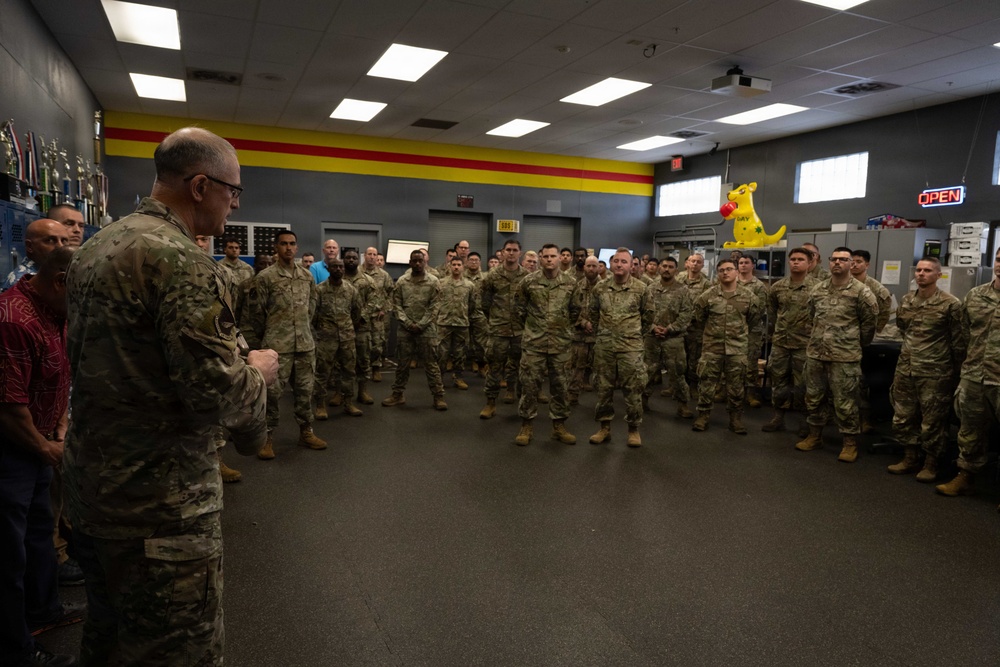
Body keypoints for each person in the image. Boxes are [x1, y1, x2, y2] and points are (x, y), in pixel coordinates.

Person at [63, 127, 279, 665]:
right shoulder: (179, 260)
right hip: (160, 505)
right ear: (201, 186)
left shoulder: (96, 246)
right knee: (176, 651)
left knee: (108, 639)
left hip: (94, 491)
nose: (234, 205)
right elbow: (215, 395)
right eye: (234, 192)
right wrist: (257, 373)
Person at [0, 247, 83, 667]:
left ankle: (45, 609)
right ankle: (16, 649)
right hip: (11, 452)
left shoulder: (57, 312)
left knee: (38, 536)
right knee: (9, 555)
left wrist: (61, 426)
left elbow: (60, 377)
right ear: (60, 283)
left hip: (39, 443)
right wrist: (46, 446)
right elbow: (8, 409)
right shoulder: (14, 321)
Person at [795, 247, 878, 462]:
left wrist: (853, 344)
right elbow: (812, 316)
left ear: (852, 263)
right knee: (813, 398)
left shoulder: (862, 292)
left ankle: (849, 443)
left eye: (843, 259)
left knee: (845, 402)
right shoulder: (818, 289)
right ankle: (815, 436)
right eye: (834, 259)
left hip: (845, 357)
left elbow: (869, 326)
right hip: (816, 354)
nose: (837, 263)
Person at [885, 257, 965, 479]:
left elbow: (958, 341)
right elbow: (903, 328)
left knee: (933, 422)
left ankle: (931, 463)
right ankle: (910, 457)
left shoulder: (951, 304)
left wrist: (955, 372)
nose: (921, 274)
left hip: (935, 371)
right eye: (919, 270)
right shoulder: (907, 299)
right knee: (903, 416)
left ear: (939, 275)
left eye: (927, 270)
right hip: (906, 368)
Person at [250, 229, 324, 457]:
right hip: (276, 347)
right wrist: (269, 337)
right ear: (276, 247)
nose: (288, 248)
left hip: (304, 345)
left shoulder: (306, 276)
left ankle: (306, 431)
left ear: (297, 247)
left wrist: (301, 328)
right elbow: (256, 314)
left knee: (305, 391)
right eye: (283, 244)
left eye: (292, 244)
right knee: (271, 394)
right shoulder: (265, 278)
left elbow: (312, 307)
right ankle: (267, 437)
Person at [936, 249, 1000, 498]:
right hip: (975, 374)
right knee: (970, 429)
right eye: (998, 259)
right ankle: (966, 475)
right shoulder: (976, 295)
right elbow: (963, 333)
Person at [511, 244, 580, 445]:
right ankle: (527, 426)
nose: (549, 259)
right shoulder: (528, 282)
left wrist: (562, 328)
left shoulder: (571, 283)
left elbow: (575, 310)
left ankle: (559, 425)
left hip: (560, 345)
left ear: (560, 258)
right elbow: (518, 310)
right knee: (530, 386)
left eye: (553, 256)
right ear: (540, 259)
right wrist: (533, 329)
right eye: (546, 256)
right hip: (534, 344)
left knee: (560, 386)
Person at [690, 259, 762, 434]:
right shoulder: (707, 296)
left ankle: (735, 419)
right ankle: (703, 416)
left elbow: (753, 321)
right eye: (721, 270)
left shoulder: (750, 297)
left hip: (737, 349)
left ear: (736, 272)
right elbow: (699, 319)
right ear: (718, 273)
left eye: (729, 269)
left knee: (736, 386)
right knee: (706, 384)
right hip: (712, 348)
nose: (725, 273)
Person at [586, 248, 648, 446]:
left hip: (631, 348)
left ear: (631, 265)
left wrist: (633, 334)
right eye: (616, 261)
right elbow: (593, 314)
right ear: (611, 265)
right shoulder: (600, 288)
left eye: (624, 261)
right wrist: (604, 333)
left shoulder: (641, 288)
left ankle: (633, 430)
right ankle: (604, 428)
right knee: (603, 389)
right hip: (605, 347)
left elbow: (648, 316)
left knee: (633, 389)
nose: (619, 265)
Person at [383, 249, 446, 410]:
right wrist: (407, 323)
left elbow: (435, 305)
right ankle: (397, 394)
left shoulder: (433, 281)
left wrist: (422, 324)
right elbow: (396, 305)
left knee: (431, 365)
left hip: (427, 330)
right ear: (410, 262)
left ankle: (438, 396)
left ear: (425, 262)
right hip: (406, 330)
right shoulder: (402, 282)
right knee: (402, 364)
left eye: (420, 260)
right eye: (414, 261)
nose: (417, 263)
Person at [762, 248, 817, 434]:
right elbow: (772, 312)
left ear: (809, 263)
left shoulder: (818, 288)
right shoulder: (778, 287)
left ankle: (804, 421)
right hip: (781, 344)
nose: (795, 262)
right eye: (792, 259)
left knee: (804, 385)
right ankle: (778, 417)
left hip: (805, 345)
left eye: (800, 259)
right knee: (778, 383)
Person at [479, 239, 529, 418]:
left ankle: (514, 393)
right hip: (498, 329)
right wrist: (494, 319)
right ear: (503, 252)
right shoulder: (492, 275)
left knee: (521, 366)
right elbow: (484, 303)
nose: (511, 253)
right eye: (508, 250)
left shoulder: (526, 276)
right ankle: (490, 403)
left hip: (520, 329)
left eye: (515, 250)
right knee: (494, 366)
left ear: (520, 253)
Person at [642, 257, 694, 418]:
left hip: (674, 339)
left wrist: (670, 329)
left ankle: (683, 404)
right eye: (664, 266)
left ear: (676, 271)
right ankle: (642, 400)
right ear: (659, 268)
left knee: (677, 373)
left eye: (670, 267)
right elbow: (642, 311)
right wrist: (652, 327)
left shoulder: (683, 290)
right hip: (652, 338)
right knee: (646, 371)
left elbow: (687, 314)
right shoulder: (649, 288)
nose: (667, 269)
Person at [312, 257, 363, 419]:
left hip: (347, 337)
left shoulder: (351, 290)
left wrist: (349, 327)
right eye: (335, 267)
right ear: (328, 269)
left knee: (348, 371)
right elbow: (312, 314)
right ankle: (320, 404)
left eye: (341, 267)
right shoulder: (319, 290)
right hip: (326, 338)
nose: (339, 269)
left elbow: (357, 313)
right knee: (322, 372)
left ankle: (348, 402)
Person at [341, 248, 379, 406]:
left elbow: (374, 302)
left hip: (362, 328)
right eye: (348, 258)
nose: (351, 260)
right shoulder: (337, 277)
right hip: (341, 329)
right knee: (341, 362)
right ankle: (340, 392)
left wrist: (360, 319)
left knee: (363, 360)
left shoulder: (367, 280)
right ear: (343, 259)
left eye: (354, 258)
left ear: (358, 260)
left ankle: (362, 391)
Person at [437, 256, 480, 390]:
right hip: (444, 323)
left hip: (462, 323)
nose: (456, 267)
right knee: (441, 353)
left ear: (463, 267)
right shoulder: (441, 283)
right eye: (453, 264)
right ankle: (439, 378)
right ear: (449, 266)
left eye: (458, 265)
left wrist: (466, 316)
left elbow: (472, 304)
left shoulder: (469, 285)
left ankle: (458, 377)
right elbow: (435, 302)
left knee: (460, 353)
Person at [2, 219, 70, 291]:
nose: (60, 246)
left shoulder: (47, 273)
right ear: (29, 246)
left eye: (64, 241)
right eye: (50, 240)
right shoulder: (25, 282)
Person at [737, 254, 769, 408]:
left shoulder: (759, 286)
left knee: (751, 362)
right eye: (741, 263)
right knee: (731, 361)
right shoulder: (731, 282)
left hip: (752, 330)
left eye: (746, 263)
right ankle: (727, 390)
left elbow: (760, 310)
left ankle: (751, 393)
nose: (743, 265)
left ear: (752, 266)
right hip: (732, 330)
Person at [568, 255, 600, 404]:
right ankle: (572, 394)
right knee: (576, 366)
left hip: (600, 335)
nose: (591, 269)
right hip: (580, 334)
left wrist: (594, 324)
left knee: (601, 369)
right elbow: (571, 309)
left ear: (599, 267)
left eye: (594, 266)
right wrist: (583, 323)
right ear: (584, 267)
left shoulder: (606, 287)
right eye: (589, 266)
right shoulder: (576, 286)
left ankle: (603, 401)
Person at [677, 253, 711, 393]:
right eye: (692, 261)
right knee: (678, 358)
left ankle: (693, 386)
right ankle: (678, 386)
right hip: (678, 326)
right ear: (687, 263)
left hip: (696, 327)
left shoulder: (706, 284)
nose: (695, 264)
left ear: (702, 265)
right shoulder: (678, 279)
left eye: (698, 262)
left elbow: (707, 306)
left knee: (694, 358)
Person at [363, 246, 394, 382]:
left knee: (377, 344)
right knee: (361, 344)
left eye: (374, 254)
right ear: (365, 255)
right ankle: (362, 369)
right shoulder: (357, 272)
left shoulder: (383, 275)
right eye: (369, 254)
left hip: (377, 316)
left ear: (377, 257)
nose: (371, 257)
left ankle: (376, 368)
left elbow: (390, 293)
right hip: (360, 317)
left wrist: (384, 309)